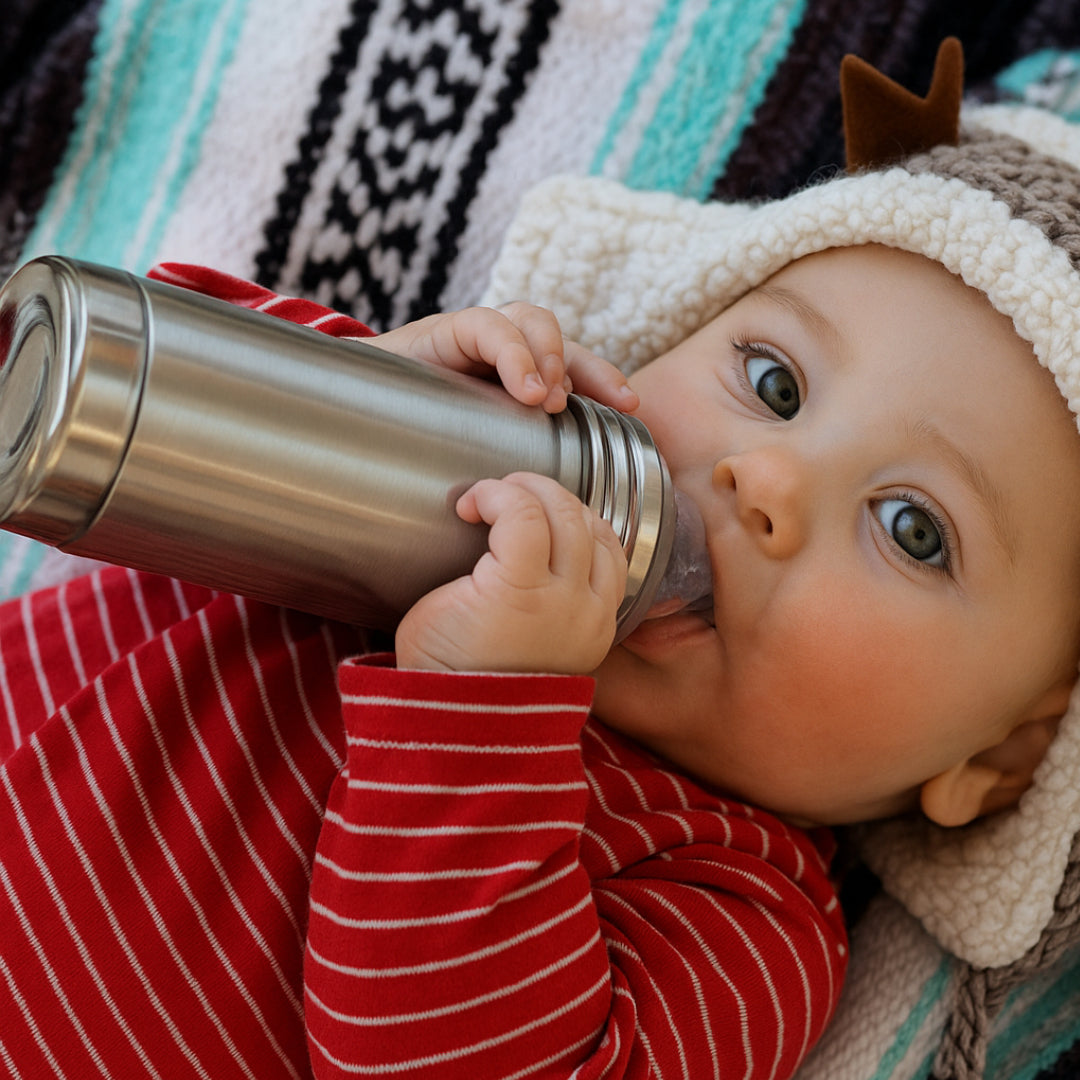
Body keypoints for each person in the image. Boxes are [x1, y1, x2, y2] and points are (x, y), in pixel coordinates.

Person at [4, 37, 1080, 1080]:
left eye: (913, 528)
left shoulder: (745, 915)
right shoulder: (446, 505)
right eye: (774, 384)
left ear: (1002, 761)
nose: (767, 479)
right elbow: (137, 397)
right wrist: (372, 391)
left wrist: (477, 716)